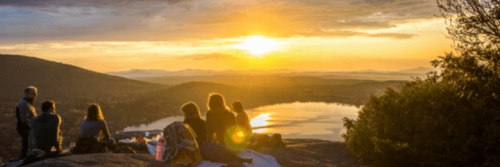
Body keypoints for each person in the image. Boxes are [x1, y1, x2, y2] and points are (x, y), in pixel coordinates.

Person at [16, 86, 38, 159]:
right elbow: (24, 119)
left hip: (26, 127)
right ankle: (23, 158)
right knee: (27, 144)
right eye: (33, 93)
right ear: (26, 93)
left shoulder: (27, 102)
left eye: (35, 93)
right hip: (25, 127)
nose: (35, 95)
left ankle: (23, 158)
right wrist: (33, 125)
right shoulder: (24, 104)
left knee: (26, 144)